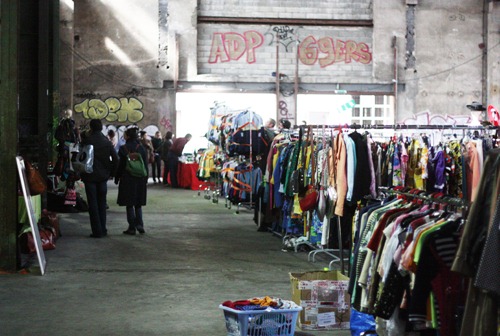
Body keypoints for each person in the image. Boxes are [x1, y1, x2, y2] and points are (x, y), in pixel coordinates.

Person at [80, 118, 118, 238]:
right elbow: (116, 158)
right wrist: (111, 172)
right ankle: (103, 229)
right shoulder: (106, 142)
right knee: (102, 203)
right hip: (103, 177)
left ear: (91, 127)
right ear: (101, 128)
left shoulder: (87, 141)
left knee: (93, 204)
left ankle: (97, 231)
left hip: (89, 176)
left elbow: (80, 157)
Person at [114, 127, 148, 235]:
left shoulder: (124, 148)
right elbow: (145, 165)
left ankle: (132, 227)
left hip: (127, 178)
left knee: (129, 203)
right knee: (138, 203)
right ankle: (140, 225)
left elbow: (121, 165)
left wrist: (116, 177)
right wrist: (145, 178)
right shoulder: (141, 148)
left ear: (127, 136)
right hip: (140, 178)